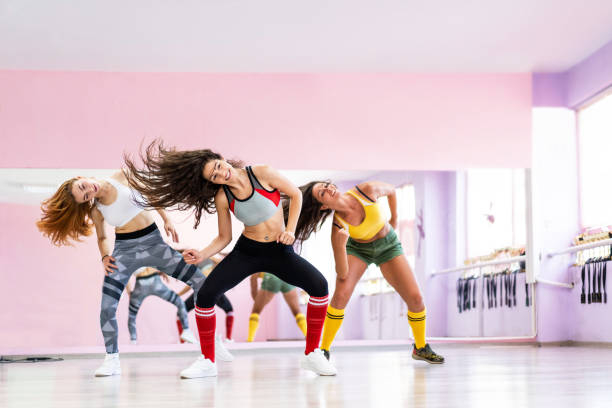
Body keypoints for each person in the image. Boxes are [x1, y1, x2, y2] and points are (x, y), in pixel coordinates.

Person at [124, 141, 336, 378]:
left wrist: (290, 230)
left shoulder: (261, 173)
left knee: (320, 287)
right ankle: (207, 360)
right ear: (212, 182)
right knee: (204, 296)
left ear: (221, 158)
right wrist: (202, 254)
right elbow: (224, 237)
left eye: (217, 166)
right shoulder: (223, 197)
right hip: (247, 252)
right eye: (214, 176)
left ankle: (312, 354)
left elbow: (296, 195)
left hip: (279, 251)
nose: (220, 173)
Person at [36, 170, 233, 377]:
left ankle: (210, 345)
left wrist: (166, 219)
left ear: (79, 178)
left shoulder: (122, 176)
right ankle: (111, 360)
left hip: (155, 245)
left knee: (202, 282)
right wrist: (104, 257)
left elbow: (152, 194)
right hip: (124, 252)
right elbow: (102, 237)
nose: (89, 191)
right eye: (85, 196)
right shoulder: (97, 210)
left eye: (83, 187)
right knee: (106, 307)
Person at [291, 181, 444, 364]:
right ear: (324, 206)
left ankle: (420, 348)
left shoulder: (366, 190)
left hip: (388, 246)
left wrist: (394, 219)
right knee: (340, 296)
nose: (329, 189)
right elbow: (342, 273)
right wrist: (340, 246)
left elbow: (392, 191)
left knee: (416, 298)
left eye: (326, 185)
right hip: (358, 250)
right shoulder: (338, 227)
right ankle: (323, 350)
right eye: (322, 193)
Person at [125, 267, 196, 345]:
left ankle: (133, 340)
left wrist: (128, 290)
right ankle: (186, 329)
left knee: (132, 315)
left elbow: (126, 273)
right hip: (155, 280)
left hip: (141, 283)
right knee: (179, 302)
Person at [175, 255, 235, 342]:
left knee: (181, 312)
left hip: (209, 291)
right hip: (209, 291)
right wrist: (179, 294)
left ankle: (228, 339)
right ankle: (228, 338)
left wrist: (211, 256)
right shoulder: (200, 267)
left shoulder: (209, 263)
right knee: (229, 310)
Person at [247, 273, 307, 342]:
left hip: (271, 277)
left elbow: (253, 277)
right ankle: (307, 335)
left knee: (256, 311)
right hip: (287, 278)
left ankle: (250, 339)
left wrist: (256, 299)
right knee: (297, 311)